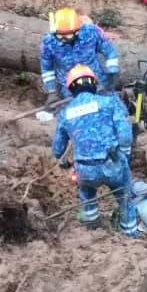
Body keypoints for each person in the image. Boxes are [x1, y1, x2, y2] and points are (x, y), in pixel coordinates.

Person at [51, 64, 139, 237]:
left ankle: (92, 227)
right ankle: (130, 233)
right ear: (94, 84)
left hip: (85, 169)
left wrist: (64, 160)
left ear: (70, 89)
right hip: (112, 164)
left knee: (86, 193)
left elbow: (57, 149)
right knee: (125, 196)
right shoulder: (109, 102)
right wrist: (126, 154)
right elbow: (125, 133)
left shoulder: (65, 113)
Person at [40, 7, 120, 102]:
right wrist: (52, 91)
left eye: (67, 35)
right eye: (60, 35)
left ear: (77, 31)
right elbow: (47, 69)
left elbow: (110, 52)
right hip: (70, 89)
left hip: (98, 84)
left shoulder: (91, 33)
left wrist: (112, 72)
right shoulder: (49, 43)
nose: (63, 39)